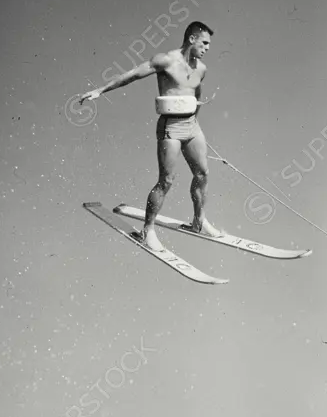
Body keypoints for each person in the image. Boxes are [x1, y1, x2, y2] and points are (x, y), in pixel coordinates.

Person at [79, 21, 221, 252]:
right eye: (204, 43)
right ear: (192, 39)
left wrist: (195, 119)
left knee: (203, 173)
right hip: (170, 128)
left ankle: (198, 221)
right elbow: (133, 75)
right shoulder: (165, 60)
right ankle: (148, 229)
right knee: (166, 180)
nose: (207, 48)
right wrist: (101, 90)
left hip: (192, 126)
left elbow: (196, 93)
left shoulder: (201, 69)